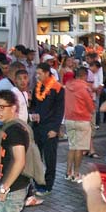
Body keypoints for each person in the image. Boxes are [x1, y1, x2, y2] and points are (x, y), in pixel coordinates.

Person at [30, 62, 65, 196]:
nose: (37, 76)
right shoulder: (36, 88)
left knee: (50, 158)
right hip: (37, 127)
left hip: (50, 128)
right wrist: (33, 113)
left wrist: (55, 129)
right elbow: (33, 105)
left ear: (46, 73)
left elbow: (59, 111)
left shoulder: (57, 88)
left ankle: (48, 185)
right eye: (36, 73)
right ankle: (38, 182)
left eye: (39, 73)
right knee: (37, 157)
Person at [64, 67, 95, 181]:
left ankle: (68, 172)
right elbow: (90, 106)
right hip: (82, 119)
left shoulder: (68, 86)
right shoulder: (85, 88)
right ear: (84, 76)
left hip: (69, 119)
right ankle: (76, 173)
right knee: (79, 148)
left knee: (72, 146)